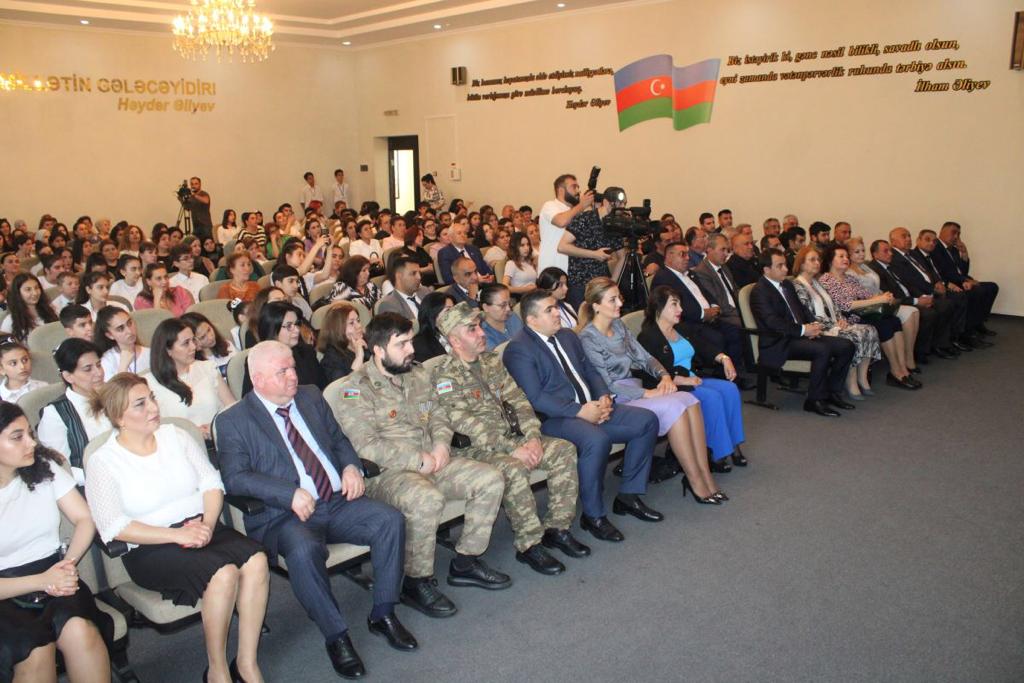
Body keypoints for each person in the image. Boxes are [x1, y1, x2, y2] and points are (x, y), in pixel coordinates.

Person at [217, 341, 414, 677]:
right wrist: (287, 494)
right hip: (284, 516)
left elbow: (338, 440)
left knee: (389, 520)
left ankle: (383, 613)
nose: (293, 376)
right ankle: (336, 636)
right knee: (304, 549)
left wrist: (351, 466)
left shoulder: (310, 396)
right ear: (258, 379)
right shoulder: (234, 420)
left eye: (292, 367)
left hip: (335, 501)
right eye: (282, 372)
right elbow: (235, 478)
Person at [85, 374, 268, 683]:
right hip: (151, 547)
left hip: (200, 526)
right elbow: (114, 526)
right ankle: (218, 670)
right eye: (140, 404)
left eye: (152, 398)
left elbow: (211, 483)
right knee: (223, 574)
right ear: (119, 418)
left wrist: (208, 524)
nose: (153, 408)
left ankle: (247, 663)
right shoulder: (103, 461)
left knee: (257, 561)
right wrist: (177, 534)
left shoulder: (176, 435)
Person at [338, 314, 509, 616]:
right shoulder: (355, 388)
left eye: (410, 341)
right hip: (389, 473)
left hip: (433, 459)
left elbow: (439, 414)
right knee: (427, 499)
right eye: (402, 344)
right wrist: (416, 460)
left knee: (490, 479)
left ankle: (465, 562)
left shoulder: (417, 374)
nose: (411, 349)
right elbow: (365, 445)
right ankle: (416, 582)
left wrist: (442, 444)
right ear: (378, 349)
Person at [503, 290, 661, 543]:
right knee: (596, 440)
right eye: (549, 310)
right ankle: (593, 515)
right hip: (553, 419)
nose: (557, 313)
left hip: (591, 406)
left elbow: (590, 370)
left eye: (556, 307)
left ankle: (629, 495)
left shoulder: (567, 336)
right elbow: (535, 398)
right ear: (531, 320)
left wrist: (603, 397)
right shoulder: (519, 349)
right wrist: (579, 411)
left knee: (646, 420)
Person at [435, 303, 586, 566]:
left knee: (563, 449)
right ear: (455, 341)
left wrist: (533, 437)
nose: (482, 333)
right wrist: (512, 449)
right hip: (477, 450)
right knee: (514, 469)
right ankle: (529, 543)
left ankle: (557, 527)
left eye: (480, 326)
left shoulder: (491, 361)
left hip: (515, 437)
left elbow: (518, 400)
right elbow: (467, 424)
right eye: (472, 329)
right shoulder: (445, 376)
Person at [577, 279, 724, 503]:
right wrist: (647, 393)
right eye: (613, 300)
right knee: (676, 405)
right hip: (616, 398)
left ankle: (704, 475)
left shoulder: (618, 326)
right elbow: (606, 384)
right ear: (596, 305)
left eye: (619, 298)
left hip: (634, 388)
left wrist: (664, 375)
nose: (620, 303)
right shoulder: (588, 338)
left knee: (689, 400)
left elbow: (645, 358)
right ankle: (695, 480)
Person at [0, 402, 113, 683]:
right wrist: (42, 580)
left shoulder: (42, 466)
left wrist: (67, 564)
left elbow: (84, 519)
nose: (31, 443)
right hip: (7, 590)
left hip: (56, 571)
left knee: (81, 632)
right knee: (35, 650)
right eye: (17, 437)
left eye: (30, 433)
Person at [637, 286, 748, 470]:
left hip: (693, 378)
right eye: (674, 304)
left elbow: (704, 346)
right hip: (673, 386)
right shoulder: (648, 337)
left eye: (680, 304)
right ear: (658, 307)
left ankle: (734, 445)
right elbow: (652, 372)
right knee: (712, 397)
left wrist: (724, 358)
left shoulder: (680, 328)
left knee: (730, 389)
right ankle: (716, 453)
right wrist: (682, 380)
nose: (680, 309)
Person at [748, 249, 857, 417]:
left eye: (785, 264)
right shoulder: (759, 291)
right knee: (822, 349)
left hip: (797, 335)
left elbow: (802, 309)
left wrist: (814, 325)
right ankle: (814, 400)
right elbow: (772, 323)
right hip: (778, 342)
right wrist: (803, 330)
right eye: (780, 266)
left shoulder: (786, 284)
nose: (786, 269)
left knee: (846, 346)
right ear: (766, 270)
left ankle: (832, 392)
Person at [819, 244, 919, 390]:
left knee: (894, 321)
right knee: (884, 325)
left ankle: (903, 369)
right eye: (841, 256)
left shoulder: (849, 278)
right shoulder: (827, 279)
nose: (846, 259)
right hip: (846, 318)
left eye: (846, 256)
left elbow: (867, 295)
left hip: (861, 314)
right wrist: (877, 300)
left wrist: (884, 297)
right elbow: (845, 305)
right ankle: (895, 372)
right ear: (830, 260)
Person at [791, 246, 880, 400]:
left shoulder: (817, 282)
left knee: (870, 330)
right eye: (812, 260)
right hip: (817, 328)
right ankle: (850, 381)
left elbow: (833, 306)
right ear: (802, 264)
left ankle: (862, 378)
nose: (817, 263)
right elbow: (808, 315)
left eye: (818, 259)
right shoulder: (798, 285)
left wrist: (840, 319)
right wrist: (833, 325)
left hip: (833, 323)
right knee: (854, 336)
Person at [869, 238, 960, 362]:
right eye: (886, 251)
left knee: (945, 305)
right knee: (928, 314)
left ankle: (939, 344)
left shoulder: (892, 266)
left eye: (890, 250)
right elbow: (890, 296)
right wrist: (916, 301)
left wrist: (923, 297)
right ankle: (919, 352)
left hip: (911, 298)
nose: (890, 253)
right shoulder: (875, 271)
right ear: (875, 254)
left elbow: (909, 285)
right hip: (899, 304)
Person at [147, 319, 237, 440]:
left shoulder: (207, 367)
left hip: (221, 438)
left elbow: (233, 408)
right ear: (168, 350)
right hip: (183, 444)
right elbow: (155, 430)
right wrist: (192, 432)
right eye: (186, 343)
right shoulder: (150, 384)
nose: (194, 347)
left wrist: (215, 427)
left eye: (193, 340)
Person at [37, 339, 111, 483]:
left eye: (98, 365)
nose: (99, 373)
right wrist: (100, 477)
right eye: (88, 369)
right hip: (91, 483)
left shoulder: (115, 394)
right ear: (68, 376)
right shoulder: (56, 414)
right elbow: (60, 468)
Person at [846, 236, 926, 368]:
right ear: (849, 254)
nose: (861, 254)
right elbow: (859, 296)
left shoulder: (865, 267)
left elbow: (876, 287)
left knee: (914, 311)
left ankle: (908, 358)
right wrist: (880, 298)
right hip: (869, 307)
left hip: (880, 302)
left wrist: (885, 295)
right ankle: (902, 363)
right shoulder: (849, 272)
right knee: (908, 313)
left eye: (863, 250)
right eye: (857, 252)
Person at [932, 222, 999, 339]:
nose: (956, 236)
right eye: (953, 232)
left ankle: (979, 321)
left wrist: (964, 253)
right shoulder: (935, 248)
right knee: (977, 291)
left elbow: (962, 271)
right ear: (942, 231)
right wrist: (966, 280)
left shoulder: (953, 250)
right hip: (950, 283)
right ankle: (969, 328)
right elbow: (945, 273)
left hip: (961, 281)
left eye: (958, 234)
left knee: (992, 287)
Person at [242, 302, 325, 395]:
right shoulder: (258, 361)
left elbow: (324, 388)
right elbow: (251, 399)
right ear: (273, 329)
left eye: (297, 324)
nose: (297, 330)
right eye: (289, 326)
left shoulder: (307, 352)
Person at [538, 174, 593, 273]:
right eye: (574, 187)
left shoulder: (576, 211)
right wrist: (581, 205)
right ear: (561, 190)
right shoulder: (550, 205)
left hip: (573, 270)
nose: (578, 191)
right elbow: (561, 221)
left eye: (578, 187)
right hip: (552, 269)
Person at [317, 303, 369, 383]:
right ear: (337, 328)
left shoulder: (366, 342)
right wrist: (359, 357)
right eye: (351, 323)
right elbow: (346, 390)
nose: (359, 326)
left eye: (358, 320)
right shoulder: (332, 360)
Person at [94, 307, 151, 380]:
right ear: (110, 335)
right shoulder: (107, 361)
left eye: (129, 323)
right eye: (120, 329)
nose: (129, 331)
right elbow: (113, 387)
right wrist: (123, 366)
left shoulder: (150, 353)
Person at [2, 273, 58, 341]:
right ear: (18, 293)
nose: (35, 293)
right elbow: (5, 344)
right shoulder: (10, 321)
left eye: (36, 288)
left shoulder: (51, 311)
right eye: (28, 289)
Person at [180, 311, 237, 379]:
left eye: (209, 330)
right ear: (193, 341)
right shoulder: (195, 366)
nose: (210, 337)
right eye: (203, 337)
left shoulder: (227, 345)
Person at [376, 257, 432, 322]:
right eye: (413, 273)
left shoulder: (425, 291)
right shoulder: (388, 305)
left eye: (419, 273)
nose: (419, 277)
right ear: (399, 276)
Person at [413, 292, 455, 363]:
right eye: (448, 310)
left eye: (454, 309)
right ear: (433, 314)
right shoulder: (420, 345)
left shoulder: (460, 333)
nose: (454, 313)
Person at [479, 284, 523, 350]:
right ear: (486, 307)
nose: (508, 309)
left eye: (509, 303)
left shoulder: (512, 317)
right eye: (502, 305)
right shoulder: (481, 333)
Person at [502, 231, 539, 296]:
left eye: (528, 244)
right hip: (521, 297)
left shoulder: (529, 262)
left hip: (534, 295)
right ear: (515, 247)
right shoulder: (511, 264)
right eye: (522, 245)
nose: (526, 248)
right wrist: (525, 289)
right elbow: (504, 287)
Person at [183, 177, 213, 242]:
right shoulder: (191, 197)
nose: (194, 186)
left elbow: (206, 201)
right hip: (196, 225)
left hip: (205, 225)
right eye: (192, 184)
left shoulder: (204, 194)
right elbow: (187, 208)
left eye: (196, 184)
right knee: (196, 243)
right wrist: (181, 199)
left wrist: (194, 195)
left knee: (207, 243)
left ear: (200, 184)